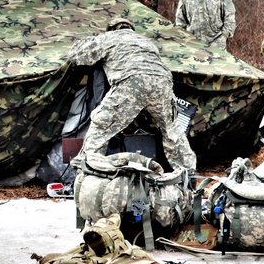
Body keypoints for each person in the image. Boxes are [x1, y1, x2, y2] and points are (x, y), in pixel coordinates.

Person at [65, 17, 197, 175]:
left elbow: (76, 56)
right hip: (162, 83)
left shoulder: (109, 38)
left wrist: (90, 39)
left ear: (112, 28)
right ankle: (188, 174)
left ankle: (85, 171)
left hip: (132, 81)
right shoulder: (146, 42)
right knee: (172, 130)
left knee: (102, 126)